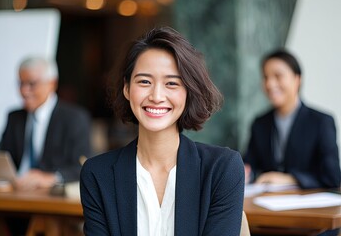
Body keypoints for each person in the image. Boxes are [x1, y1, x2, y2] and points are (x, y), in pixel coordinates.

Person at [80, 27, 245, 236]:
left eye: (171, 83)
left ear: (188, 91)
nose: (157, 96)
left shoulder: (222, 169)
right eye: (145, 82)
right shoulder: (97, 174)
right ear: (127, 88)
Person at [244, 49, 341, 189]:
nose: (270, 84)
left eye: (278, 76)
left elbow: (332, 176)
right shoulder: (260, 123)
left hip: (307, 206)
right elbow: (250, 164)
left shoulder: (321, 122)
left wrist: (290, 179)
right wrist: (246, 172)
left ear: (297, 79)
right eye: (265, 77)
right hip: (266, 204)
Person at [0, 56, 91, 191]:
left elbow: (84, 165)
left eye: (31, 84)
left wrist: (52, 178)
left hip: (50, 197)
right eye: (21, 83)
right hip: (14, 191)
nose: (24, 91)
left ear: (52, 83)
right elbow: (2, 155)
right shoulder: (14, 117)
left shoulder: (74, 119)